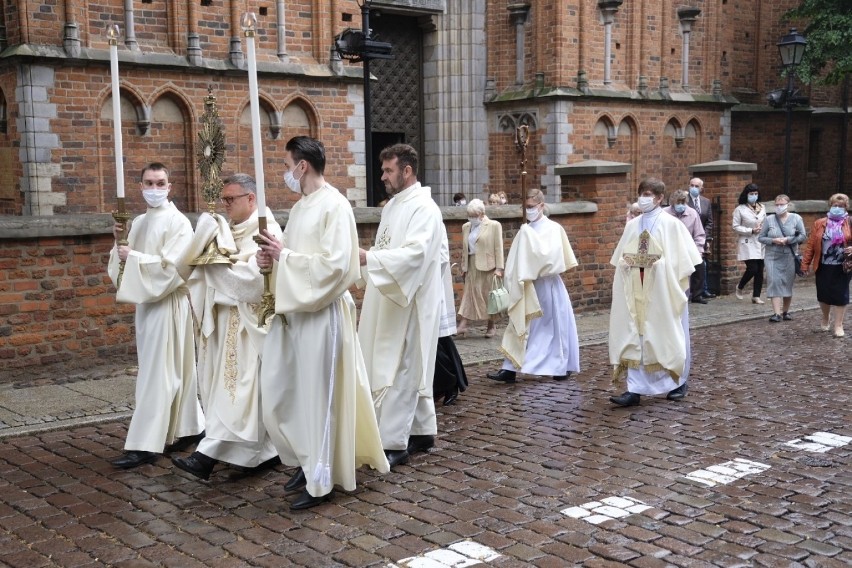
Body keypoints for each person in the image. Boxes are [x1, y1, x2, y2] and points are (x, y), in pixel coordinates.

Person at [256, 136, 389, 510]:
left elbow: (336, 266)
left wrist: (287, 256)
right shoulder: (301, 208)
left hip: (323, 313)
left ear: (302, 166)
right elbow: (293, 257)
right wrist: (271, 261)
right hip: (298, 314)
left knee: (321, 397)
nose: (285, 173)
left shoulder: (335, 205)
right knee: (296, 395)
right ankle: (308, 459)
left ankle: (323, 477)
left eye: (287, 165)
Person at [171, 174, 282, 481]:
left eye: (231, 199)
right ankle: (261, 453)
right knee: (241, 394)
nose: (226, 205)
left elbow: (254, 282)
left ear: (251, 199)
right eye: (224, 200)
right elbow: (198, 269)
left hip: (252, 324)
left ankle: (206, 456)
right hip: (226, 322)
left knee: (239, 393)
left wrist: (215, 264)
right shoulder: (227, 231)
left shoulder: (266, 230)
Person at [107, 163, 205, 468]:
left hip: (168, 304)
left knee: (158, 374)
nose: (154, 188)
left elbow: (175, 268)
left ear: (170, 186)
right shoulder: (137, 222)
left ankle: (145, 444)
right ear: (139, 186)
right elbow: (121, 265)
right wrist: (118, 241)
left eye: (160, 183)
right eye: (149, 182)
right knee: (169, 368)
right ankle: (191, 428)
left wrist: (132, 256)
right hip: (147, 307)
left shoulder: (178, 223)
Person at [357, 143, 444, 470]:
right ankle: (423, 430)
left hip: (411, 299)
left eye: (388, 170)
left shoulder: (424, 209)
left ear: (407, 171)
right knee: (405, 363)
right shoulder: (394, 206)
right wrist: (371, 259)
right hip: (390, 294)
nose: (383, 177)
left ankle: (394, 443)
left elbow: (415, 255)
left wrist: (371, 258)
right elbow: (386, 245)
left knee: (403, 366)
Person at [609, 177, 702, 407]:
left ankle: (677, 381)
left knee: (668, 335)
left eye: (649, 194)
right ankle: (634, 389)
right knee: (636, 336)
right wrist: (627, 263)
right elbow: (621, 258)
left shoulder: (672, 225)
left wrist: (658, 266)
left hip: (663, 292)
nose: (644, 198)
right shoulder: (633, 225)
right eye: (642, 193)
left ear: (660, 198)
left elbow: (684, 263)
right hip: (636, 290)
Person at [486, 188, 580, 384]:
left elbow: (551, 259)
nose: (528, 210)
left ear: (541, 206)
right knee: (520, 325)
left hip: (547, 286)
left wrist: (530, 241)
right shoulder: (524, 230)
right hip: (527, 287)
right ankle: (509, 368)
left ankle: (559, 366)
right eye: (525, 207)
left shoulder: (554, 229)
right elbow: (516, 259)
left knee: (552, 327)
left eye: (531, 207)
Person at [801, 193, 852, 338]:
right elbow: (811, 245)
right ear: (830, 206)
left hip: (843, 265)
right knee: (823, 294)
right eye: (835, 205)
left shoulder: (850, 222)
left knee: (840, 294)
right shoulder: (820, 223)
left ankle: (838, 325)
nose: (837, 208)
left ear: (846, 207)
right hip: (823, 264)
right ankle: (825, 318)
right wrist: (805, 264)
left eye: (841, 206)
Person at [457, 198, 504, 338]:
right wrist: (464, 267)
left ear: (482, 214)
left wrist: (499, 268)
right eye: (469, 215)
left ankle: (491, 325)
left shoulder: (494, 225)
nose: (471, 218)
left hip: (488, 267)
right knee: (469, 295)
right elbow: (465, 249)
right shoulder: (466, 227)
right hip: (471, 265)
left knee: (488, 296)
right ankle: (463, 325)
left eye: (474, 216)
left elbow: (498, 247)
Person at [434, 227, 468, 406]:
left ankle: (450, 382)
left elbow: (440, 257)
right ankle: (441, 385)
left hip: (430, 288)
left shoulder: (428, 214)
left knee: (438, 341)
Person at [758, 194, 806, 323]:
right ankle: (776, 313)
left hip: (789, 256)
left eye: (782, 204)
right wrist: (773, 240)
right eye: (777, 204)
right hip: (772, 256)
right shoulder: (769, 219)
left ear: (788, 205)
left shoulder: (796, 218)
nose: (779, 207)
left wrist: (788, 239)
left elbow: (802, 236)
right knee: (774, 281)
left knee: (787, 282)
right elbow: (761, 237)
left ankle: (785, 311)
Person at [664, 190, 706, 292]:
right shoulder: (664, 213)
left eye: (683, 203)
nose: (680, 205)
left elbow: (699, 234)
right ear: (672, 202)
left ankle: (685, 302)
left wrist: (698, 251)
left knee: (685, 280)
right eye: (678, 203)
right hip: (669, 251)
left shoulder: (692, 213)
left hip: (686, 251)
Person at [732, 183, 766, 304]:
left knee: (760, 269)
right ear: (746, 195)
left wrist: (763, 228)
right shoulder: (740, 209)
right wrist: (750, 230)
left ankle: (756, 296)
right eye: (751, 194)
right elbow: (735, 227)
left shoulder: (762, 207)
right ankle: (740, 286)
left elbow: (765, 221)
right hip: (747, 241)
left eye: (756, 194)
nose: (754, 196)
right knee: (752, 268)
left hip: (760, 241)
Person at [686, 177, 715, 302]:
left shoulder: (706, 202)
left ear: (701, 188)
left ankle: (699, 292)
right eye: (692, 185)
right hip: (687, 237)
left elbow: (709, 221)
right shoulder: (685, 201)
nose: (693, 188)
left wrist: (704, 235)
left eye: (696, 186)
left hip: (700, 238)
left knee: (701, 265)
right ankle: (688, 291)